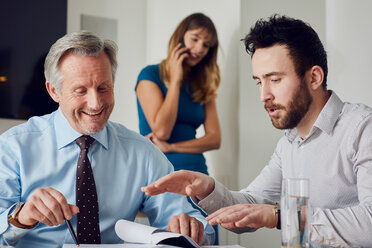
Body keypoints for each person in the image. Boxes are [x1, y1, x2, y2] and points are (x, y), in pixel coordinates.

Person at [141, 14, 372, 247]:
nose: (264, 96)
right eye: (260, 82)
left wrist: (280, 216)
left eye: (275, 79)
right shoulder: (288, 144)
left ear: (314, 77)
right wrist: (207, 189)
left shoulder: (362, 128)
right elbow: (252, 203)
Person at [0, 31, 214, 248]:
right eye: (81, 90)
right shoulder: (13, 147)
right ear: (54, 91)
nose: (95, 104)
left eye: (103, 88)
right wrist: (21, 217)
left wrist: (189, 227)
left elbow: (201, 228)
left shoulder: (142, 152)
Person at [135, 12, 221, 175]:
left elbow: (215, 139)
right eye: (195, 39)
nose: (199, 49)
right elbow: (162, 132)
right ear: (180, 37)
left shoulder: (203, 84)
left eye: (206, 45)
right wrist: (175, 81)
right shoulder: (150, 75)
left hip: (197, 172)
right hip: (159, 171)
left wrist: (173, 147)